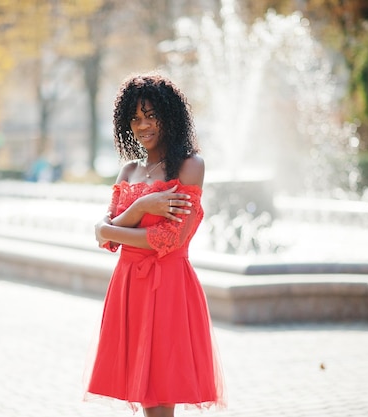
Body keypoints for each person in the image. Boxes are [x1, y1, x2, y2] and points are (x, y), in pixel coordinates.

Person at [85, 74, 226, 416]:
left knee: (162, 397)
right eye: (135, 118)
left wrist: (111, 228)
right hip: (128, 287)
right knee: (143, 393)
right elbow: (103, 239)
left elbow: (168, 239)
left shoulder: (190, 166)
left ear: (169, 116)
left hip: (168, 288)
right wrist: (141, 208)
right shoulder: (129, 170)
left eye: (151, 115)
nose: (142, 125)